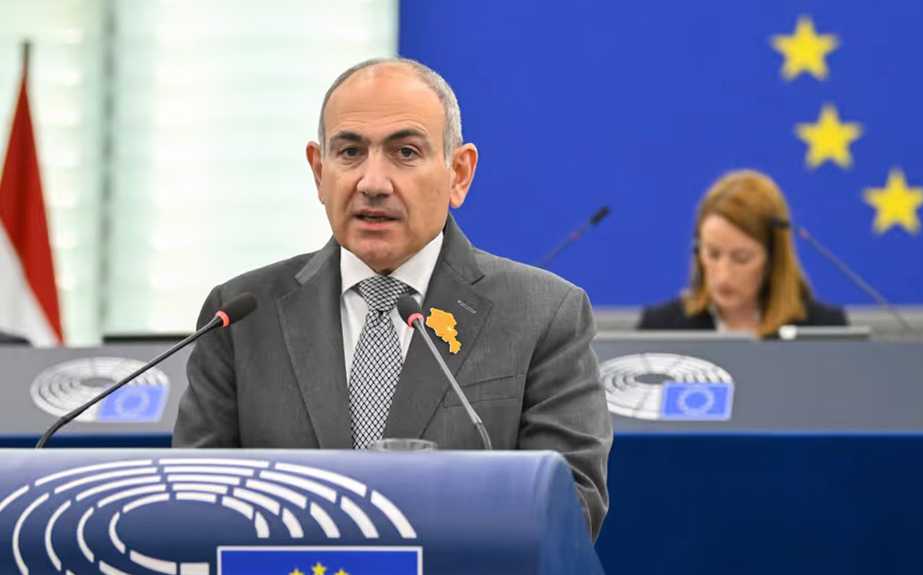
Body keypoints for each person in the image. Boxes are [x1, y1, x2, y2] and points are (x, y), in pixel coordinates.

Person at [173, 57, 612, 540]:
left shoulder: (543, 314)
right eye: (350, 152)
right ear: (319, 172)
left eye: (405, 152)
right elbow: (193, 510)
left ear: (458, 173)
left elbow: (570, 513)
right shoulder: (239, 317)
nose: (373, 183)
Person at [639, 169, 847, 337]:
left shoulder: (825, 330)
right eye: (713, 254)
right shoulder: (660, 328)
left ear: (773, 258)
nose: (723, 274)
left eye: (741, 258)